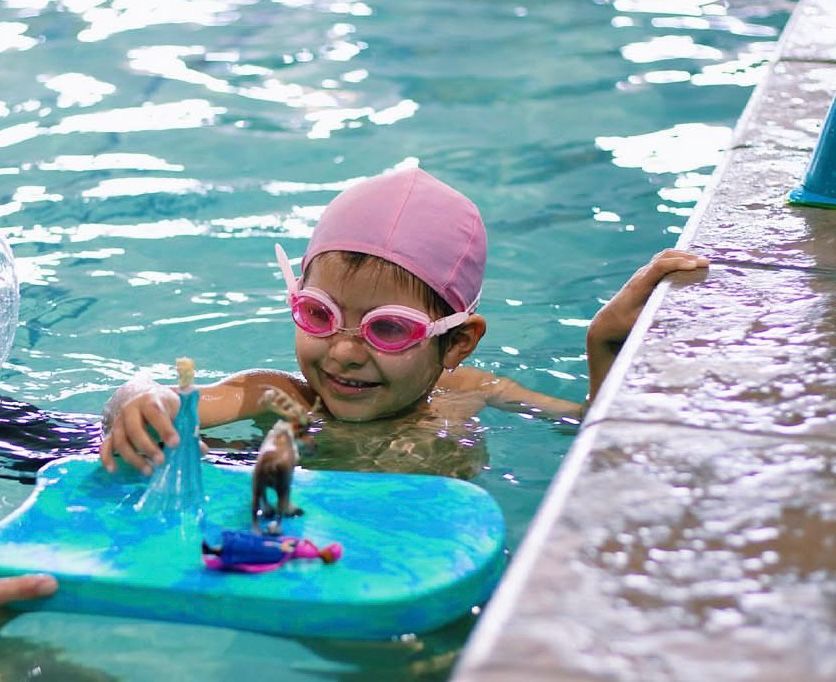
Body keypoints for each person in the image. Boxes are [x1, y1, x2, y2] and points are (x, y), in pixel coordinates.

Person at [99, 167, 707, 476]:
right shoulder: (282, 399)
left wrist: (601, 344)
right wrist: (137, 397)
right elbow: (172, 403)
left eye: (387, 329)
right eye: (319, 315)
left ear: (457, 343)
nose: (341, 354)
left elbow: (596, 434)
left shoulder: (471, 392)